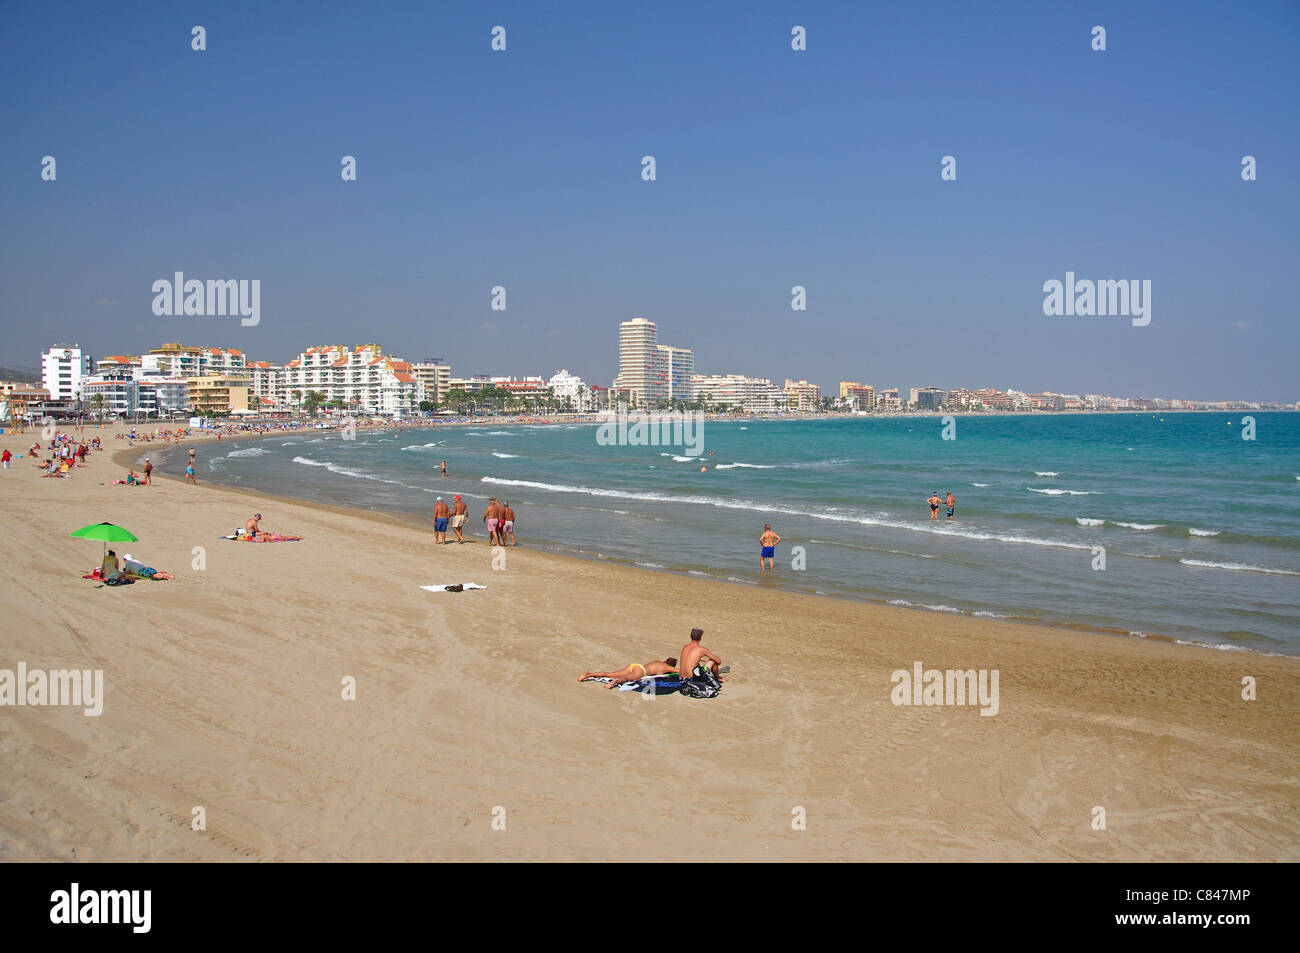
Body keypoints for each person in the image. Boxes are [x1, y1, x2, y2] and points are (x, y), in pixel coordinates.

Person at [579, 657, 680, 689]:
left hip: (636, 666)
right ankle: (614, 682)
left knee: (610, 674)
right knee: (626, 678)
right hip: (641, 671)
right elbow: (680, 671)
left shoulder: (658, 662)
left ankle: (588, 674)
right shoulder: (667, 667)